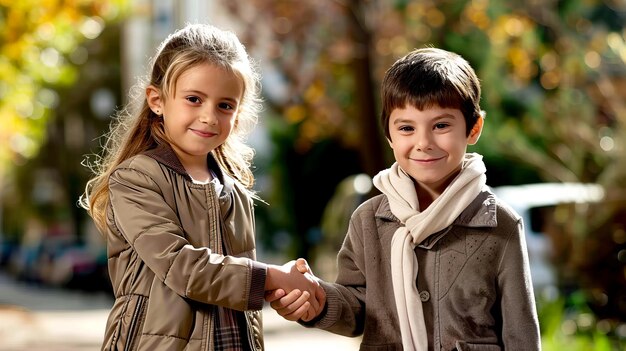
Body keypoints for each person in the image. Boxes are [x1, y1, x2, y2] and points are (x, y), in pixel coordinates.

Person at [266, 47, 542, 350]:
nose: (423, 143)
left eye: (441, 125)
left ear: (473, 128)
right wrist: (318, 301)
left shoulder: (499, 224)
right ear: (389, 134)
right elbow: (357, 307)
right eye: (407, 128)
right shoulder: (368, 220)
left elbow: (521, 334)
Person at [79, 23, 323, 351]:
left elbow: (237, 286)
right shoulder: (137, 179)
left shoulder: (234, 190)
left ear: (237, 115)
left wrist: (287, 293)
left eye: (225, 105)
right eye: (194, 99)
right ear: (157, 100)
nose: (209, 116)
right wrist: (274, 276)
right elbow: (185, 269)